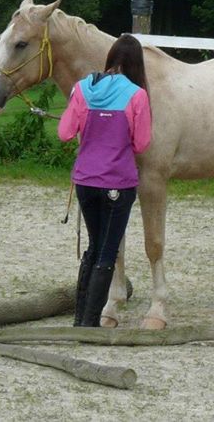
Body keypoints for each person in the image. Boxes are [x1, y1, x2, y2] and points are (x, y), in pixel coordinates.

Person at [58, 34, 152, 327]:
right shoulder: (137, 95)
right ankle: (90, 323)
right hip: (117, 183)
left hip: (86, 181)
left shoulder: (82, 89)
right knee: (107, 253)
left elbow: (64, 132)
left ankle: (80, 319)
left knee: (93, 246)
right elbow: (142, 143)